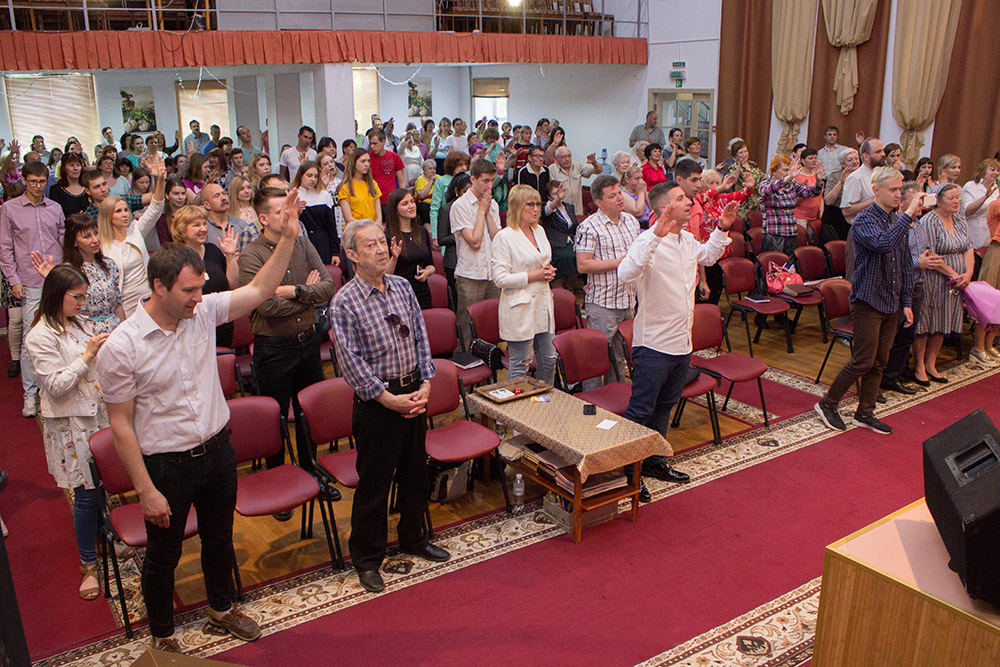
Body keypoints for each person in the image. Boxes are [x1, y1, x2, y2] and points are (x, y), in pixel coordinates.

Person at [97, 195, 303, 650]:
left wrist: (288, 238)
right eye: (188, 291)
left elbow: (259, 290)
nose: (198, 298)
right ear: (159, 287)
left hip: (217, 450)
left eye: (200, 288)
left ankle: (221, 609)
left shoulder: (202, 311)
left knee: (219, 539)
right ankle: (163, 636)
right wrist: (145, 490)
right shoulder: (122, 347)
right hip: (166, 465)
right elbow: (121, 425)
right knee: (164, 557)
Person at [330, 217, 449, 594]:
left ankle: (413, 538)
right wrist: (387, 399)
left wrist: (426, 382)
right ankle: (367, 558)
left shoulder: (402, 286)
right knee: (375, 484)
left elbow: (421, 338)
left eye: (382, 242)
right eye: (371, 245)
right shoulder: (344, 302)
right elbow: (350, 362)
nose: (381, 249)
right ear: (351, 255)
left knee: (416, 474)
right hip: (378, 403)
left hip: (413, 393)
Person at [618, 181, 736, 498]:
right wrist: (655, 235)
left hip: (681, 343)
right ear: (663, 208)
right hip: (653, 344)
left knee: (665, 406)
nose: (689, 202)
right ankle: (629, 471)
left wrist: (722, 228)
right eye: (681, 198)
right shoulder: (648, 240)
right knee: (641, 410)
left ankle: (654, 461)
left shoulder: (687, 239)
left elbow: (708, 256)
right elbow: (625, 274)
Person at [24, 264, 113, 601]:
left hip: (95, 413)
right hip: (71, 422)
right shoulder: (39, 336)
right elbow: (56, 385)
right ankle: (88, 563)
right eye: (77, 297)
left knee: (101, 485)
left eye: (84, 297)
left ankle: (104, 538)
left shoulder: (77, 323)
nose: (82, 303)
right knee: (86, 493)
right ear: (57, 295)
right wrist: (88, 355)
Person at [814, 167, 925, 435]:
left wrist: (906, 302)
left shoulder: (895, 220)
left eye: (900, 190)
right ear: (876, 190)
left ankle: (865, 412)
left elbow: (904, 265)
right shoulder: (865, 220)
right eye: (893, 190)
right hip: (868, 301)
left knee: (879, 361)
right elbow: (882, 244)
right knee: (863, 360)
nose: (898, 195)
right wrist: (907, 215)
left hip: (891, 300)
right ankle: (828, 403)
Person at [239, 187, 335, 472]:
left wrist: (294, 291)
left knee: (309, 413)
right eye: (282, 211)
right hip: (274, 349)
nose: (290, 216)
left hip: (308, 342)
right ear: (264, 219)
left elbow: (328, 287)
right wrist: (308, 296)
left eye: (292, 210)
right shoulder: (252, 255)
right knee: (276, 417)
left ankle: (310, 471)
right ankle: (278, 476)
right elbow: (267, 306)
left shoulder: (302, 244)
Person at [1, 161, 65, 417]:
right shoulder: (9, 209)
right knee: (31, 337)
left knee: (60, 331)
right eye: (33, 182)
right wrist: (13, 279)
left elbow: (62, 241)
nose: (38, 186)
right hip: (28, 280)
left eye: (42, 182)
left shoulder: (55, 208)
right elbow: (5, 247)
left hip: (56, 278)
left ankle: (54, 387)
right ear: (24, 181)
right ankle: (30, 394)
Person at [575, 174, 642, 387]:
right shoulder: (589, 227)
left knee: (619, 357)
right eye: (612, 196)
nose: (619, 198)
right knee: (598, 359)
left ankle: (615, 397)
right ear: (598, 202)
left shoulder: (631, 221)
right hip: (603, 303)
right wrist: (620, 263)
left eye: (619, 193)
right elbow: (583, 265)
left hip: (628, 300)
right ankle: (591, 401)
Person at [909, 184, 974, 386]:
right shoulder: (929, 221)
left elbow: (968, 248)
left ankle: (931, 363)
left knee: (943, 321)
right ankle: (919, 365)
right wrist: (954, 274)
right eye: (951, 198)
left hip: (955, 283)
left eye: (957, 197)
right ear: (938, 200)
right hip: (933, 278)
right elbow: (930, 254)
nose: (956, 201)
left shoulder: (960, 220)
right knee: (927, 322)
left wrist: (968, 274)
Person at [491, 184, 557, 383]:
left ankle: (545, 396)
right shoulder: (504, 237)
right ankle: (516, 401)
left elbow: (541, 260)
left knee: (549, 359)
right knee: (520, 362)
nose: (536, 209)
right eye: (530, 204)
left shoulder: (540, 230)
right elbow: (500, 278)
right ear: (517, 206)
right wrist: (533, 275)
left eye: (538, 204)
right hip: (519, 306)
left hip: (542, 303)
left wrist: (548, 271)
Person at [32, 213, 125, 333]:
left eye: (96, 233)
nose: (95, 240)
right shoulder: (69, 270)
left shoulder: (109, 264)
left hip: (114, 329)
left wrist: (125, 329)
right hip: (84, 331)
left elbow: (117, 303)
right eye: (87, 236)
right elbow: (61, 308)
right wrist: (54, 278)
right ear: (75, 242)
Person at [97, 155, 166, 315]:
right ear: (108, 216)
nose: (124, 214)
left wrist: (160, 179)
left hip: (148, 297)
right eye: (118, 211)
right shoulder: (101, 242)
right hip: (122, 303)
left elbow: (156, 207)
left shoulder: (136, 228)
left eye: (126, 210)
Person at [880, 181, 930, 394]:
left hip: (916, 287)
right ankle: (879, 380)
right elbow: (896, 260)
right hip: (897, 289)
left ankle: (893, 376)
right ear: (902, 203)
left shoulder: (918, 224)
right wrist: (920, 262)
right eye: (916, 200)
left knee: (906, 337)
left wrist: (929, 257)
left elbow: (923, 249)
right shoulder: (895, 226)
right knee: (889, 338)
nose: (921, 205)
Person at [171, 205, 239, 347]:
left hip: (221, 327)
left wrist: (230, 256)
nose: (203, 229)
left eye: (204, 224)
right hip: (190, 329)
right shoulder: (174, 258)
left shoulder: (213, 250)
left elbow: (232, 285)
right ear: (182, 229)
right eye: (196, 225)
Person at [451, 158, 501, 339]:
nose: (490, 185)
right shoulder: (460, 206)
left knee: (492, 325)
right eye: (486, 180)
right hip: (470, 274)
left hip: (492, 273)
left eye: (492, 180)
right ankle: (465, 356)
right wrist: (481, 211)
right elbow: (474, 241)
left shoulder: (493, 205)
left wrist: (487, 212)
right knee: (467, 327)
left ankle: (491, 355)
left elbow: (498, 239)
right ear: (473, 179)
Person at [757, 154, 824, 255]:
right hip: (774, 234)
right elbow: (766, 191)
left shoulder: (791, 185)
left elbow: (812, 192)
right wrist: (790, 177)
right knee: (774, 263)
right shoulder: (765, 183)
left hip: (791, 232)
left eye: (789, 170)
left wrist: (818, 180)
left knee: (789, 263)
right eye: (785, 170)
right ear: (774, 171)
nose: (788, 173)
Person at [385, 189, 435, 309]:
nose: (411, 206)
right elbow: (385, 275)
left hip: (422, 292)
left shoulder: (422, 232)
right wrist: (394, 258)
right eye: (405, 204)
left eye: (412, 201)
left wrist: (427, 272)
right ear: (395, 210)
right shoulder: (388, 237)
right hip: (399, 294)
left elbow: (431, 265)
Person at [291, 160, 340, 266]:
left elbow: (331, 227)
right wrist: (295, 212)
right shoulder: (293, 195)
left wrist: (335, 252)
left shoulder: (324, 195)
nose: (313, 179)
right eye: (309, 176)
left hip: (322, 243)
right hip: (302, 243)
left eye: (316, 176)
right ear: (301, 176)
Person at [974, 196, 1000, 363]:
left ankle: (989, 344)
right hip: (997, 253)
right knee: (988, 302)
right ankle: (978, 347)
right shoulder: (995, 204)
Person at [437, 173, 471, 299]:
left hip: (470, 260)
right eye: (465, 191)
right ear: (457, 191)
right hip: (453, 261)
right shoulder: (447, 209)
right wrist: (462, 235)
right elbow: (442, 239)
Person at [197, 183, 258, 253]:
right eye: (217, 196)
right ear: (207, 205)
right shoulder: (203, 228)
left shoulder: (242, 225)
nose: (223, 198)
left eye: (224, 193)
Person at [540, 180, 578, 285]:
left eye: (559, 192)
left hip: (571, 241)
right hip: (556, 244)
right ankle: (559, 284)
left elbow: (575, 227)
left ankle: (573, 284)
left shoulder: (569, 207)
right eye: (554, 194)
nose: (558, 195)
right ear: (549, 196)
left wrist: (577, 241)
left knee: (580, 254)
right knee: (566, 256)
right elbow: (547, 210)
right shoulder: (547, 207)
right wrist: (557, 200)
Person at [961, 159, 1000, 253]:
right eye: (992, 170)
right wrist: (985, 197)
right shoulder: (971, 186)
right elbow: (967, 211)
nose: (996, 173)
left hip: (989, 238)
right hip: (973, 236)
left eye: (998, 170)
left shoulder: (997, 189)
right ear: (983, 170)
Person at [549, 146, 602, 213]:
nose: (567, 159)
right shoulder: (552, 169)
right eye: (563, 157)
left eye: (569, 156)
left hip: (577, 211)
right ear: (557, 159)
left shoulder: (577, 165)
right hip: (561, 212)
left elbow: (598, 170)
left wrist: (594, 162)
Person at [337, 149, 382, 227]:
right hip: (355, 230)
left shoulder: (372, 184)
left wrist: (376, 227)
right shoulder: (345, 187)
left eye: (368, 161)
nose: (367, 164)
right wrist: (367, 227)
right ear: (353, 163)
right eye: (363, 161)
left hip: (373, 229)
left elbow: (378, 216)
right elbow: (349, 219)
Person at [822, 148, 859, 242]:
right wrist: (841, 182)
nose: (854, 162)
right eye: (850, 160)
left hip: (856, 216)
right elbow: (828, 201)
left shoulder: (863, 176)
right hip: (835, 217)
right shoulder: (835, 176)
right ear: (842, 164)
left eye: (856, 158)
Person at [367, 129, 406, 209]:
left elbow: (401, 181)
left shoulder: (394, 157)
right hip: (373, 200)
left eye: (375, 143)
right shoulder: (367, 158)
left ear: (383, 142)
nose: (372, 146)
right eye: (370, 143)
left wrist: (403, 199)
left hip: (390, 200)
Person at [793, 147, 825, 243]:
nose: (814, 160)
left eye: (815, 158)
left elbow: (820, 197)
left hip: (814, 217)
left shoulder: (817, 175)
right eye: (810, 158)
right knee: (801, 241)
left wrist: (821, 213)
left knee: (812, 243)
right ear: (803, 161)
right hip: (800, 216)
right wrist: (803, 191)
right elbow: (794, 200)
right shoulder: (797, 176)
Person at [414, 159, 437, 230]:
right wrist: (431, 182)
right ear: (424, 170)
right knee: (424, 207)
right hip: (424, 204)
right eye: (430, 169)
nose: (432, 171)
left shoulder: (439, 178)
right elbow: (422, 195)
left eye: (434, 168)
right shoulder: (420, 180)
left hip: (436, 203)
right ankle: (427, 227)